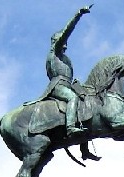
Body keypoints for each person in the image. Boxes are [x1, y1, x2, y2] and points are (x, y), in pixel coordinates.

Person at [42, 5, 92, 137]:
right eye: (62, 40)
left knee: (86, 103)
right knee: (72, 98)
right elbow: (67, 31)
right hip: (57, 86)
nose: (65, 42)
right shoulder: (55, 53)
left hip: (67, 85)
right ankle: (70, 127)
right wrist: (78, 14)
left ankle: (84, 148)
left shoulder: (65, 59)